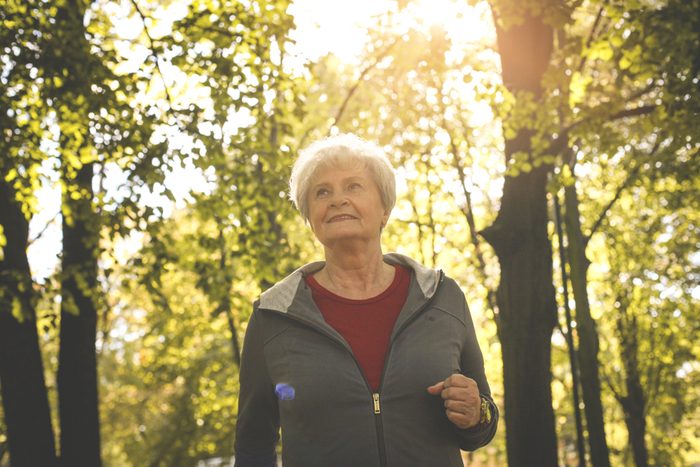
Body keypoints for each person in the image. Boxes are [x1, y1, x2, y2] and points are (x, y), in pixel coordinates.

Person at [234, 133, 498, 467]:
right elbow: (253, 445)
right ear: (310, 217)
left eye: (354, 186)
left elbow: (482, 424)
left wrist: (476, 414)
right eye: (322, 192)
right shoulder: (273, 315)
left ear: (384, 209)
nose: (337, 200)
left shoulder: (442, 297)